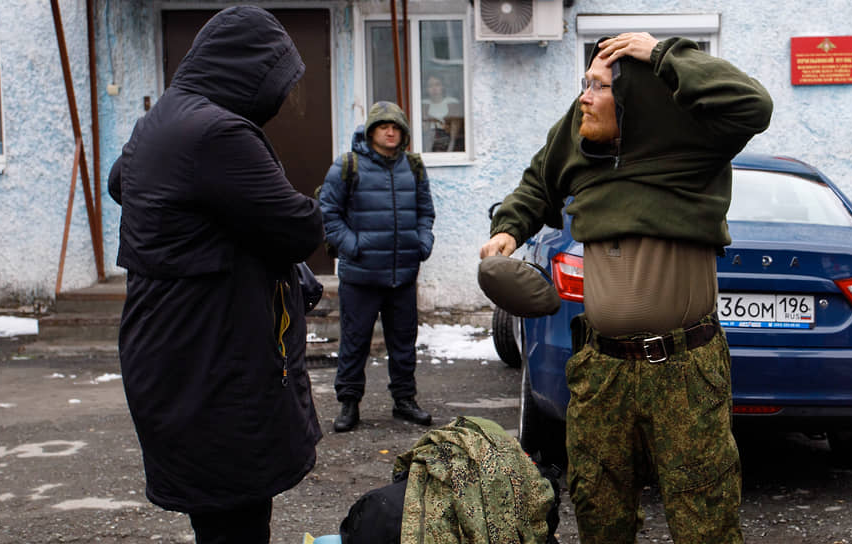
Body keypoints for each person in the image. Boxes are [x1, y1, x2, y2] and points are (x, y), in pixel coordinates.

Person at [480, 32, 773, 544]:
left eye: (598, 87)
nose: (583, 98)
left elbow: (753, 103)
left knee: (704, 517)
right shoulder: (577, 136)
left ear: (633, 99)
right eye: (584, 83)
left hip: (682, 367)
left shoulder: (695, 141)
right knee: (599, 508)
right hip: (602, 366)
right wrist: (507, 229)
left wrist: (661, 54)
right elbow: (537, 184)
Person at [107, 7, 322, 543]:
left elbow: (121, 183)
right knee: (238, 522)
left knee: (220, 519)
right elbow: (299, 228)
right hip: (214, 362)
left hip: (172, 352)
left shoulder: (159, 121)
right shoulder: (217, 132)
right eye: (276, 84)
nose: (280, 101)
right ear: (249, 74)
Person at [318, 101, 436, 433]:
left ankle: (404, 400)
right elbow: (328, 213)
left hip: (402, 273)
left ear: (404, 133)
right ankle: (349, 403)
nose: (390, 132)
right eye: (384, 126)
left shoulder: (412, 167)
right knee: (354, 341)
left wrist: (422, 242)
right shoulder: (348, 165)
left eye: (396, 127)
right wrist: (353, 246)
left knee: (403, 341)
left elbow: (426, 211)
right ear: (371, 131)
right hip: (361, 276)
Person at [421, 75, 464, 152]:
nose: (434, 89)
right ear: (427, 89)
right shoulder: (423, 104)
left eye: (437, 84)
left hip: (449, 144)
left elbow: (455, 131)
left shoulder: (452, 103)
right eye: (430, 86)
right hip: (427, 144)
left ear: (443, 87)